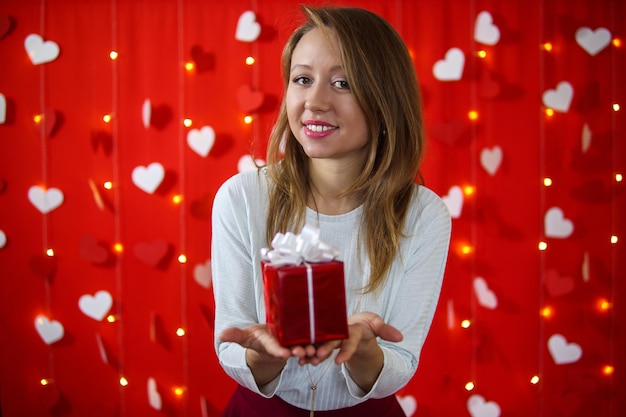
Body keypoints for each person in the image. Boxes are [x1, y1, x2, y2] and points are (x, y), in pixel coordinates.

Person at [212, 5, 451, 416]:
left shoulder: (423, 215)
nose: (315, 101)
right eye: (302, 79)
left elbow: (402, 361)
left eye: (342, 83)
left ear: (385, 100)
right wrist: (266, 354)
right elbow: (231, 344)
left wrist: (363, 351)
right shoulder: (241, 197)